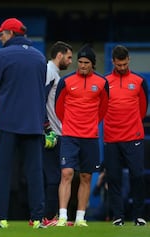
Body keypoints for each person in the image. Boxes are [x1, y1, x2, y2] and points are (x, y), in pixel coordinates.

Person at [0, 18, 47, 229]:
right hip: (33, 122)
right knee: (35, 172)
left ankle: (1, 219)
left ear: (10, 33)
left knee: (2, 170)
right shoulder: (39, 56)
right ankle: (37, 218)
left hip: (7, 121)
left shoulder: (1, 55)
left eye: (1, 33)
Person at [55, 44, 109, 227]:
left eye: (86, 63)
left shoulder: (102, 83)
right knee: (66, 173)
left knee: (86, 177)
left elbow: (103, 109)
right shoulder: (67, 81)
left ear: (92, 64)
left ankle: (80, 218)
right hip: (70, 135)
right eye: (80, 62)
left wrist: (91, 124)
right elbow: (59, 108)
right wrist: (71, 124)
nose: (82, 65)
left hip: (90, 137)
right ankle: (62, 216)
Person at [103, 45, 148, 226]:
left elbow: (143, 108)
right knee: (113, 178)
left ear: (128, 60)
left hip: (133, 136)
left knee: (137, 176)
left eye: (124, 63)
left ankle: (138, 216)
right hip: (111, 137)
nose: (121, 67)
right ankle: (118, 216)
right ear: (113, 61)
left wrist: (132, 124)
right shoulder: (104, 82)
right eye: (118, 64)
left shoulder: (139, 81)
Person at [41, 41, 73, 226]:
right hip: (52, 133)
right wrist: (47, 128)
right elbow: (40, 99)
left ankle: (45, 216)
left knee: (56, 175)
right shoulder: (49, 72)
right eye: (68, 57)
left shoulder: (53, 73)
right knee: (54, 176)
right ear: (59, 55)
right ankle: (46, 217)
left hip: (56, 130)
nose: (70, 61)